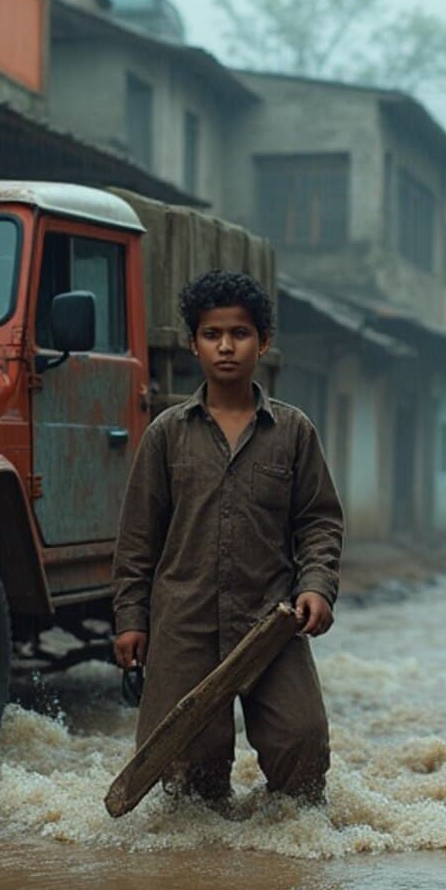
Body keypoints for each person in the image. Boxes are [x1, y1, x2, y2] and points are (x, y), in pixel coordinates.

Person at [112, 270, 343, 804]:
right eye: (212, 334)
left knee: (302, 743)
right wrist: (130, 619)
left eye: (239, 333)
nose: (225, 346)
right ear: (193, 343)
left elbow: (319, 520)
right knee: (187, 774)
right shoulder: (167, 434)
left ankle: (285, 843)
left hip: (271, 619)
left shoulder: (293, 432)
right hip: (184, 622)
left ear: (262, 342)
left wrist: (317, 586)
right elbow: (138, 537)